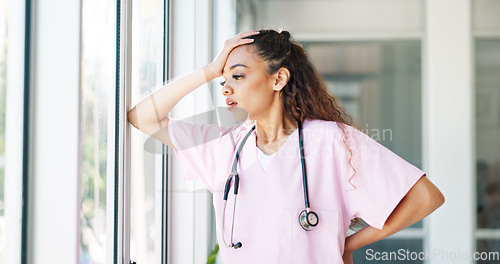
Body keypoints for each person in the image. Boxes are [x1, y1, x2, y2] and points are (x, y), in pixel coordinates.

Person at [128, 29, 445, 264]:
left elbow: (425, 197)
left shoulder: (332, 139)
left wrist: (347, 244)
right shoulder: (223, 147)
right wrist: (210, 69)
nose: (226, 89)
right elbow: (142, 117)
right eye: (222, 82)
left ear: (278, 79)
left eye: (237, 76)